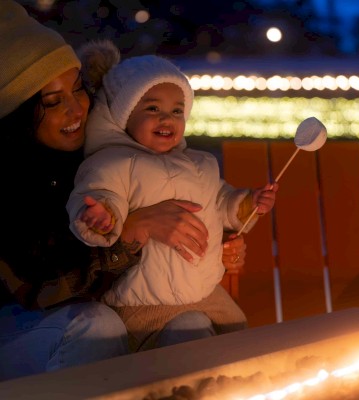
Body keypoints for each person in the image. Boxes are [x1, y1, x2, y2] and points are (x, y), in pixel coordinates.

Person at [0, 1, 247, 381]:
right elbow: (43, 289)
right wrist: (131, 230)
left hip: (107, 313)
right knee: (97, 326)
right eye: (52, 102)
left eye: (79, 88)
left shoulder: (109, 149)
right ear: (16, 113)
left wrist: (215, 241)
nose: (76, 109)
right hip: (20, 322)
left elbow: (180, 201)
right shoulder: (12, 180)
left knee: (179, 326)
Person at [66, 41, 278, 351]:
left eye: (177, 110)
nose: (167, 118)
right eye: (152, 108)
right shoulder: (112, 162)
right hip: (143, 302)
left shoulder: (200, 163)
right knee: (179, 349)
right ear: (122, 114)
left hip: (206, 293)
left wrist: (247, 204)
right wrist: (101, 217)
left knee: (236, 344)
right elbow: (99, 191)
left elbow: (220, 201)